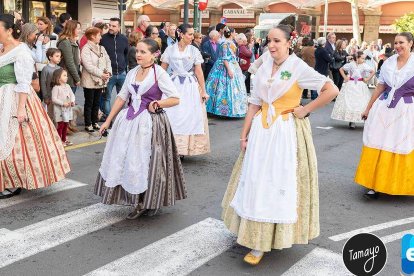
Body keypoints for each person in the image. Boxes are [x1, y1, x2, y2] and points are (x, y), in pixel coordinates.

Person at [221, 25, 338, 266]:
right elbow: (254, 102)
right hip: (261, 131)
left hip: (285, 131)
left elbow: (331, 89)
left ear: (288, 43)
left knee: (277, 182)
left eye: (276, 41)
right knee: (255, 179)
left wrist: (305, 109)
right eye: (269, 41)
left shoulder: (298, 67)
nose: (271, 45)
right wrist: (244, 135)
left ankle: (263, 241)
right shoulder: (264, 63)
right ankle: (253, 232)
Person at [95, 38, 186, 219]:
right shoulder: (132, 72)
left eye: (143, 52)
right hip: (129, 122)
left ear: (154, 55)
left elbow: (175, 98)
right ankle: (134, 198)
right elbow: (122, 97)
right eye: (137, 51)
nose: (138, 55)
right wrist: (108, 120)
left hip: (150, 123)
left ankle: (146, 201)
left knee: (147, 163)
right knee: (127, 159)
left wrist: (158, 103)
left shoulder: (159, 73)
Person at [0, 14, 70, 199]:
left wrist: (21, 108)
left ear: (9, 30)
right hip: (1, 97)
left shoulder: (21, 51)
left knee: (14, 143)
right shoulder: (1, 49)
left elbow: (24, 83)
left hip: (15, 99)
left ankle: (12, 181)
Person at [355, 32, 414, 199]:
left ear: (411, 43)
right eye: (396, 43)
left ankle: (400, 183)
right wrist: (368, 108)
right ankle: (374, 185)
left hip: (407, 111)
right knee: (378, 142)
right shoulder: (389, 62)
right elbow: (380, 87)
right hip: (383, 109)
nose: (398, 46)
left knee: (402, 144)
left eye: (401, 42)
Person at [161, 24, 211, 157]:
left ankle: (184, 149)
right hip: (174, 85)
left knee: (189, 114)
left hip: (190, 86)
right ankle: (172, 147)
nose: (192, 37)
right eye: (189, 34)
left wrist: (203, 91)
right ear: (181, 34)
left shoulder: (194, 51)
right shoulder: (170, 50)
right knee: (172, 114)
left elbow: (199, 72)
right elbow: (162, 70)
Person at [205, 27, 248, 118]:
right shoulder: (224, 44)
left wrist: (240, 61)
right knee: (222, 88)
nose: (236, 34)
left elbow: (232, 57)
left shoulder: (231, 43)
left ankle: (233, 109)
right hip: (225, 67)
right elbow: (224, 58)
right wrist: (229, 70)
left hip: (233, 65)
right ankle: (223, 111)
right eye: (235, 32)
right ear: (231, 33)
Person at [331, 51, 374, 129]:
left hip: (360, 85)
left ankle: (362, 118)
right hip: (351, 84)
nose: (364, 60)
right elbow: (341, 69)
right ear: (357, 58)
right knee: (350, 101)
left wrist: (367, 79)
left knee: (360, 102)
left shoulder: (364, 65)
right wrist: (345, 77)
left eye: (364, 58)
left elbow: (373, 71)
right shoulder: (351, 64)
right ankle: (352, 121)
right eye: (362, 58)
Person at [81, 27, 112, 132]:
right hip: (90, 80)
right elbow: (88, 66)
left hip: (101, 80)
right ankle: (88, 123)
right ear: (93, 36)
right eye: (99, 35)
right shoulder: (86, 49)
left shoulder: (101, 48)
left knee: (97, 102)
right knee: (89, 102)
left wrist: (108, 72)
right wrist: (102, 74)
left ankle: (95, 122)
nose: (101, 37)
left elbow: (108, 60)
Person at [100, 17, 129, 119]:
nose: (111, 28)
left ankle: (121, 119)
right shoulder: (103, 39)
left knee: (122, 97)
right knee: (107, 98)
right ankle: (109, 119)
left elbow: (126, 54)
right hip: (109, 74)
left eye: (114, 26)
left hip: (122, 73)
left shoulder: (124, 39)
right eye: (110, 25)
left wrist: (124, 67)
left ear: (119, 27)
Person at [51, 68, 76, 146]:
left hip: (67, 109)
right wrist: (62, 103)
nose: (67, 77)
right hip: (59, 110)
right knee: (60, 125)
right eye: (64, 75)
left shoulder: (67, 86)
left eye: (66, 75)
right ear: (58, 77)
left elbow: (72, 94)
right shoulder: (56, 87)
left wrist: (72, 101)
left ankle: (64, 139)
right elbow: (54, 99)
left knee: (66, 124)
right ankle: (59, 141)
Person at [57, 20, 81, 94]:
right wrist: (77, 78)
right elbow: (69, 62)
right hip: (68, 78)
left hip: (71, 76)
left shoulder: (73, 41)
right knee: (67, 103)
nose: (80, 31)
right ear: (72, 29)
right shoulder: (65, 42)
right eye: (78, 28)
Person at [41, 48, 61, 121]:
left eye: (60, 56)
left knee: (58, 116)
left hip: (59, 97)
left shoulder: (60, 68)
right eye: (57, 56)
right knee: (50, 115)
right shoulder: (46, 69)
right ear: (50, 57)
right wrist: (46, 97)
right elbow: (43, 83)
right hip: (50, 97)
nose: (59, 58)